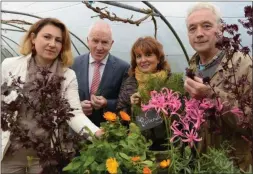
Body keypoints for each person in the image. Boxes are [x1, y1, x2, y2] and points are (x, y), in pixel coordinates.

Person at [1, 18, 103, 174]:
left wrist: (96, 133)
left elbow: (74, 114)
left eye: (58, 40)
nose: (52, 44)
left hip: (44, 155)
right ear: (33, 38)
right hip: (10, 153)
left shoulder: (68, 75)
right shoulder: (10, 65)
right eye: (47, 37)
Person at [184, 2, 252, 171]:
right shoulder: (194, 65)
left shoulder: (244, 65)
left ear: (220, 29)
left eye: (206, 26)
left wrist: (211, 96)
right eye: (192, 28)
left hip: (233, 164)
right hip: (202, 161)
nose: (199, 33)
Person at [116, 36, 171, 151]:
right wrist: (132, 107)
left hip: (166, 147)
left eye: (148, 54)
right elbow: (120, 115)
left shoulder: (170, 82)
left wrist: (144, 105)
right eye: (139, 56)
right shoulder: (130, 82)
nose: (143, 60)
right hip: (136, 147)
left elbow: (176, 117)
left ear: (158, 58)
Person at [72, 20, 130, 127]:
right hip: (78, 129)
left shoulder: (123, 68)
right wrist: (78, 107)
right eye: (95, 41)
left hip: (108, 132)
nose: (99, 47)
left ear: (111, 43)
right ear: (88, 41)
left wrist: (107, 103)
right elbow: (64, 98)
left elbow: (126, 103)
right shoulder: (74, 64)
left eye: (104, 42)